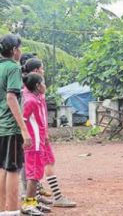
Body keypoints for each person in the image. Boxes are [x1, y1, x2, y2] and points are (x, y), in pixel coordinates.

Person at [21, 58, 76, 208]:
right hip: (35, 139)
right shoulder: (30, 96)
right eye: (42, 68)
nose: (44, 72)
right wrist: (29, 135)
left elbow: (40, 115)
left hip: (40, 136)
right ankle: (33, 201)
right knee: (35, 169)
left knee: (38, 167)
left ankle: (34, 199)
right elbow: (24, 119)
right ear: (37, 72)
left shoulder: (34, 94)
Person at [0, 34, 31, 216]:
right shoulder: (13, 68)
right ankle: (11, 211)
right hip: (10, 127)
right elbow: (11, 98)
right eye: (19, 48)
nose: (20, 51)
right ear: (13, 50)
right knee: (13, 169)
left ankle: (3, 209)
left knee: (2, 168)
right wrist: (23, 128)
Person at [21, 73, 48, 215]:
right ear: (37, 86)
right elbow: (22, 120)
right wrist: (25, 138)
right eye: (43, 83)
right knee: (33, 175)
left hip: (39, 142)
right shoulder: (30, 101)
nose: (45, 85)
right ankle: (28, 204)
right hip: (34, 143)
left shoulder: (36, 99)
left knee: (36, 173)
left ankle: (32, 202)